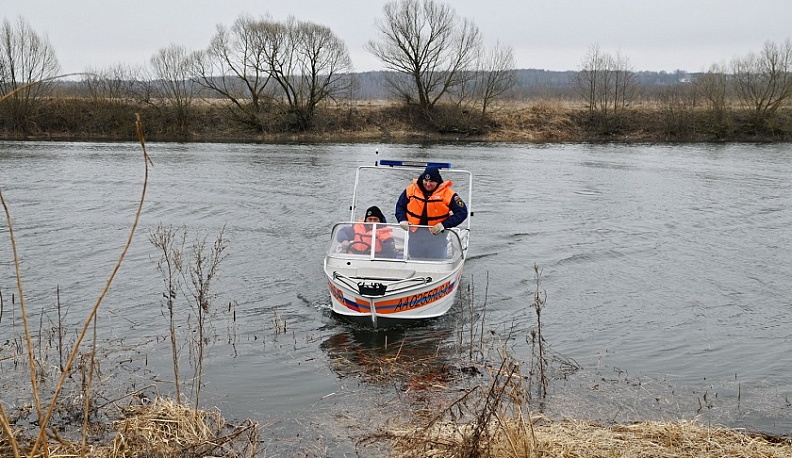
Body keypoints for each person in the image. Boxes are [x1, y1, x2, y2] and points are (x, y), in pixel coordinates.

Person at [395, 165, 468, 259]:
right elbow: (400, 206)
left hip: (437, 237)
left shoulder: (448, 194)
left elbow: (462, 212)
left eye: (432, 181)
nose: (428, 184)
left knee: (437, 261)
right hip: (415, 236)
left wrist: (444, 225)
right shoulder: (410, 190)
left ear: (438, 182)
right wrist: (402, 219)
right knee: (415, 260)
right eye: (426, 180)